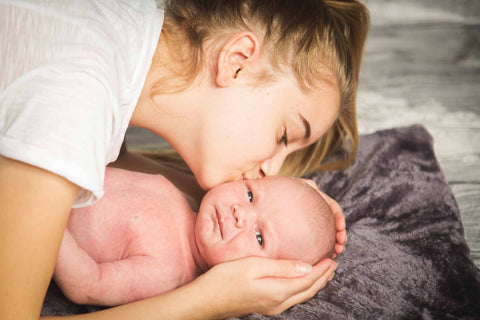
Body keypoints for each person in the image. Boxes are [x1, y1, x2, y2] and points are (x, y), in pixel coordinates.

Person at [0, 0, 369, 319]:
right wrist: (209, 301)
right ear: (237, 61)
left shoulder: (115, 40)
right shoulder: (75, 97)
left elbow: (109, 173)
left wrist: (285, 203)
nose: (270, 170)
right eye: (284, 136)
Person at [54, 168, 336, 306]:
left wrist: (41, 211)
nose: (240, 213)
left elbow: (86, 283)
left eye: (260, 237)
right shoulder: (183, 195)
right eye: (250, 195)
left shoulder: (166, 271)